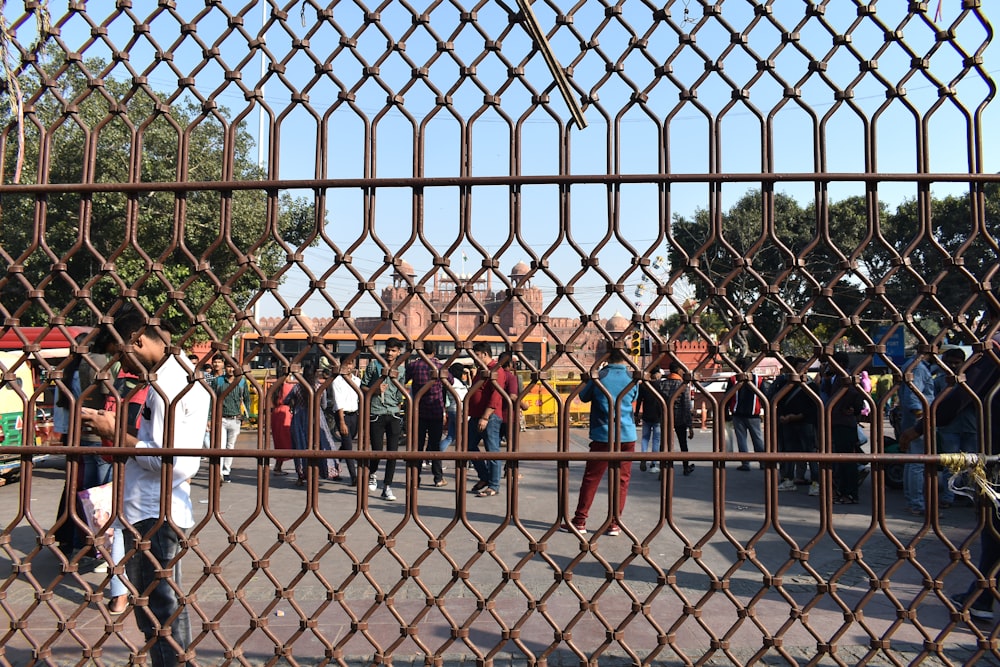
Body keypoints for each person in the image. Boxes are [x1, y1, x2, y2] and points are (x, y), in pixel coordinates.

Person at [81, 304, 209, 667]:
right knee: (154, 607)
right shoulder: (167, 378)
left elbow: (175, 462)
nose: (122, 367)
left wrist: (115, 434)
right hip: (148, 509)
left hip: (157, 514)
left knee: (161, 607)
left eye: (120, 355)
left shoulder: (171, 384)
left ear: (137, 341)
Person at [900, 297, 1000, 622]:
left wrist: (918, 428)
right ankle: (983, 593)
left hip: (996, 452)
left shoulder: (995, 350)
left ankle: (984, 594)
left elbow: (960, 396)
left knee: (994, 525)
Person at [562, 348, 638, 536]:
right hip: (627, 435)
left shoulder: (600, 376)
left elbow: (583, 396)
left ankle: (580, 520)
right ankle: (614, 523)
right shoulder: (632, 377)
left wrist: (591, 375)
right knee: (622, 481)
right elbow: (634, 398)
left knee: (592, 478)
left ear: (606, 356)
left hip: (603, 434)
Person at [361, 337, 407, 501]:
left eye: (393, 350)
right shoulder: (374, 365)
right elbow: (362, 386)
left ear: (398, 352)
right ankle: (372, 474)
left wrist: (399, 403)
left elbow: (401, 389)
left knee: (393, 453)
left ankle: (387, 486)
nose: (390, 353)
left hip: (393, 412)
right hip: (376, 412)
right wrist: (375, 389)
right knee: (377, 450)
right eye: (388, 349)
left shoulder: (401, 370)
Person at [819, 351, 867, 505]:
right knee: (842, 460)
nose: (828, 366)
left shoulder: (844, 377)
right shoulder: (836, 378)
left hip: (844, 423)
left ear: (839, 364)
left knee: (847, 461)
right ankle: (843, 492)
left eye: (831, 363)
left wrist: (851, 407)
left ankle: (849, 494)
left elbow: (856, 394)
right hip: (840, 422)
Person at [934, 347, 978, 507]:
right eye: (949, 363)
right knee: (951, 464)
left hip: (970, 426)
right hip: (949, 428)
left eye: (956, 363)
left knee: (971, 463)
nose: (952, 366)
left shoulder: (971, 381)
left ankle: (969, 495)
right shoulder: (939, 381)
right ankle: (949, 496)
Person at [467, 341, 510, 498]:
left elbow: (496, 395)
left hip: (489, 417)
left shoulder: (496, 370)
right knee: (469, 445)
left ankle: (493, 484)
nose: (474, 359)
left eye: (476, 356)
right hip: (476, 415)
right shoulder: (481, 370)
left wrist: (486, 416)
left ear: (484, 354)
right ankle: (485, 477)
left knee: (492, 451)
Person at [774, 356, 820, 496]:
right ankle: (788, 480)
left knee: (810, 453)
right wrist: (782, 416)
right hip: (788, 423)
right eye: (798, 368)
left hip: (805, 423)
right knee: (789, 453)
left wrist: (798, 416)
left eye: (803, 368)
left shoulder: (811, 386)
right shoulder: (785, 384)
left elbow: (814, 407)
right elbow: (779, 401)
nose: (800, 371)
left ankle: (816, 482)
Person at [899, 351, 937, 515]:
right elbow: (914, 397)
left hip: (912, 420)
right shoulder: (919, 368)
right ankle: (916, 504)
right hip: (919, 421)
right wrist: (921, 421)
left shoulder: (910, 364)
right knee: (918, 464)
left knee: (912, 462)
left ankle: (912, 500)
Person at [285, 360, 333, 486]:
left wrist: (294, 403)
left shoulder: (297, 387)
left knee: (300, 447)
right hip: (316, 418)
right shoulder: (319, 387)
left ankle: (301, 476)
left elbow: (286, 400)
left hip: (300, 419)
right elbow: (324, 404)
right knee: (318, 446)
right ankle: (316, 475)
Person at [406, 341, 447, 487]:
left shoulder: (414, 366)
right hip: (435, 409)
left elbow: (405, 379)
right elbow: (451, 381)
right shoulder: (440, 366)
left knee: (418, 446)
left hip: (418, 410)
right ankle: (438, 478)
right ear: (434, 351)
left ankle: (415, 478)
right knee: (435, 446)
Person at [210, 354, 251, 483]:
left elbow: (247, 400)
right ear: (225, 367)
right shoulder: (218, 381)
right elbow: (212, 400)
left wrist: (246, 415)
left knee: (230, 446)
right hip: (221, 418)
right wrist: (210, 417)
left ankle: (226, 471)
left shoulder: (242, 381)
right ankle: (218, 472)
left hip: (235, 419)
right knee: (220, 446)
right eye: (228, 367)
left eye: (233, 367)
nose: (231, 370)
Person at [727, 357, 766, 470]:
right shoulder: (758, 379)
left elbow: (727, 397)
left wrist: (726, 411)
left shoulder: (734, 379)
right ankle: (763, 462)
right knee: (757, 438)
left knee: (741, 439)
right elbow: (764, 396)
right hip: (753, 413)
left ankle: (745, 463)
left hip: (738, 413)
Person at [330, 354, 361, 486]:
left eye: (351, 363)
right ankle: (354, 476)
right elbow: (338, 402)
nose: (349, 367)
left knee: (346, 442)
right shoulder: (337, 381)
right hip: (342, 415)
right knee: (348, 446)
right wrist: (341, 422)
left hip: (354, 414)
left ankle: (333, 465)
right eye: (346, 364)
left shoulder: (357, 380)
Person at [660, 361, 696, 476]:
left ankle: (663, 468)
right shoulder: (682, 385)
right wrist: (690, 426)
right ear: (678, 370)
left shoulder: (662, 384)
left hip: (666, 418)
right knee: (683, 444)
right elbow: (686, 405)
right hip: (679, 418)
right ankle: (686, 467)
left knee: (665, 444)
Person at [634, 367, 663, 474]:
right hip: (658, 416)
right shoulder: (660, 385)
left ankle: (643, 457)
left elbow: (639, 401)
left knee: (645, 438)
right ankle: (653, 463)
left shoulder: (643, 386)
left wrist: (637, 414)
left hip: (646, 415)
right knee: (656, 440)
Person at [269, 366, 294, 476]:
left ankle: (278, 466)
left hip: (275, 413)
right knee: (289, 441)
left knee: (279, 441)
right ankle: (279, 466)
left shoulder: (273, 387)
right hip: (286, 413)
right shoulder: (289, 387)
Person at [440, 363, 470, 451]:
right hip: (460, 411)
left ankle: (436, 457)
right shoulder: (456, 382)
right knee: (466, 436)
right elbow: (469, 389)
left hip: (452, 410)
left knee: (450, 436)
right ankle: (467, 459)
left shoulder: (450, 382)